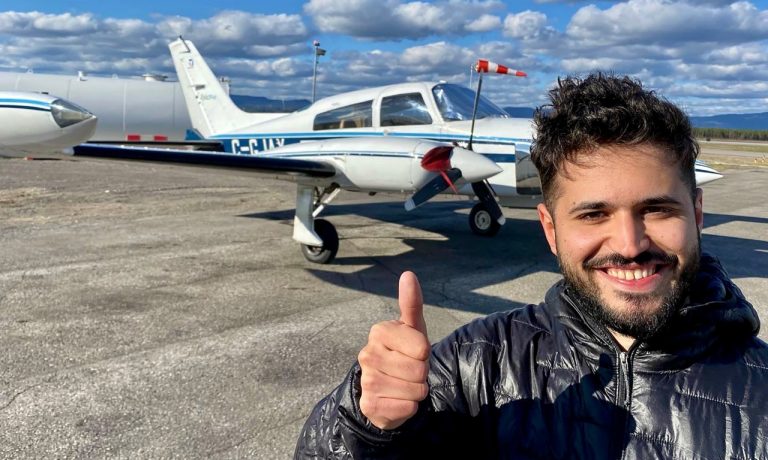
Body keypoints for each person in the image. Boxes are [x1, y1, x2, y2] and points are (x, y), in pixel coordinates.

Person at [294, 73, 768, 459]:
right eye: (593, 213)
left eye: (658, 209)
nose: (629, 245)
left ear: (698, 214)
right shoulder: (473, 364)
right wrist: (366, 423)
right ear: (549, 228)